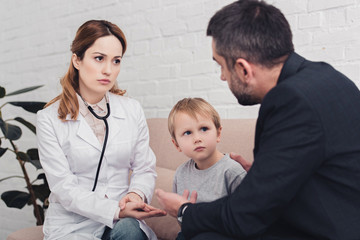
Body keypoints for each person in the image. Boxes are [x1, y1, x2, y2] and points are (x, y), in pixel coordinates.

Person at [155, 0, 360, 239]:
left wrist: (184, 210)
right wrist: (266, 172)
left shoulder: (290, 100)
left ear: (243, 69)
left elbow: (243, 216)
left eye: (221, 66)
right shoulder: (328, 77)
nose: (222, 77)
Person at [37, 20, 165, 240]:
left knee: (129, 232)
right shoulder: (48, 119)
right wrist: (115, 210)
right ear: (77, 60)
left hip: (122, 220)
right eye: (99, 58)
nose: (109, 70)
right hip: (73, 225)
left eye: (116, 61)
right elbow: (63, 187)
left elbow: (144, 168)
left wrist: (135, 195)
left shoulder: (131, 109)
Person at [168, 97, 246, 239]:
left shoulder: (232, 171)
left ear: (218, 133)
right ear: (176, 145)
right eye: (187, 133)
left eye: (204, 129)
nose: (197, 138)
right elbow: (181, 220)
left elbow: (246, 218)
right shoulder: (181, 173)